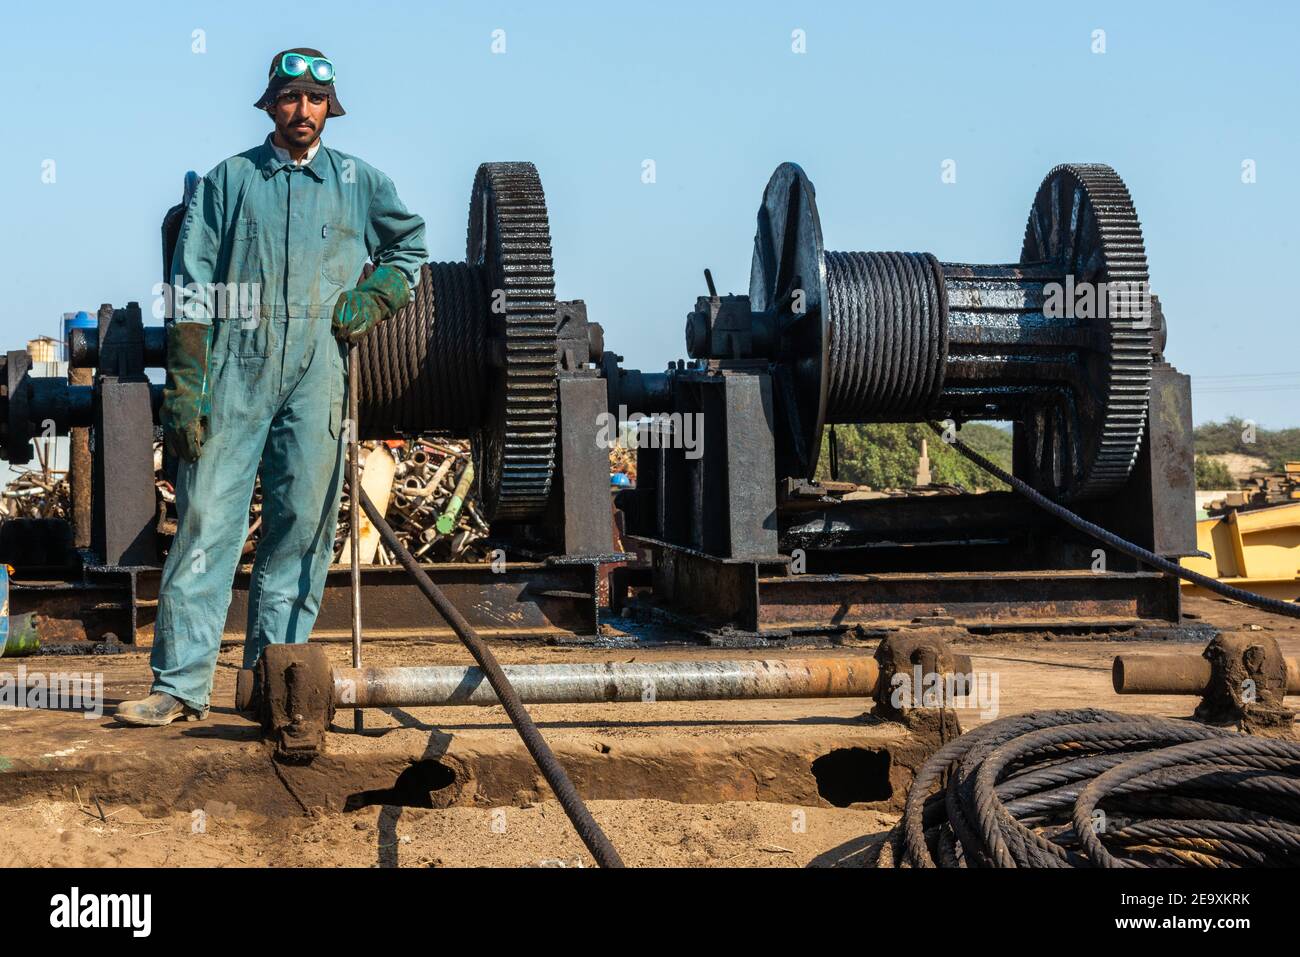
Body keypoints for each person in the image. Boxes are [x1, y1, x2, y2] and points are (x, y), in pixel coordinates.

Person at [116, 47, 426, 726]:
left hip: (320, 377)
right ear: (270, 105)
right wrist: (188, 387)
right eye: (290, 98)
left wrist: (374, 296)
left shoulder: (360, 184)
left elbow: (411, 249)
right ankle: (178, 686)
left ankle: (272, 684)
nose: (303, 112)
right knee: (205, 522)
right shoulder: (229, 183)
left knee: (301, 531)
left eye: (315, 101)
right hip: (235, 372)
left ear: (330, 108)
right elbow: (192, 285)